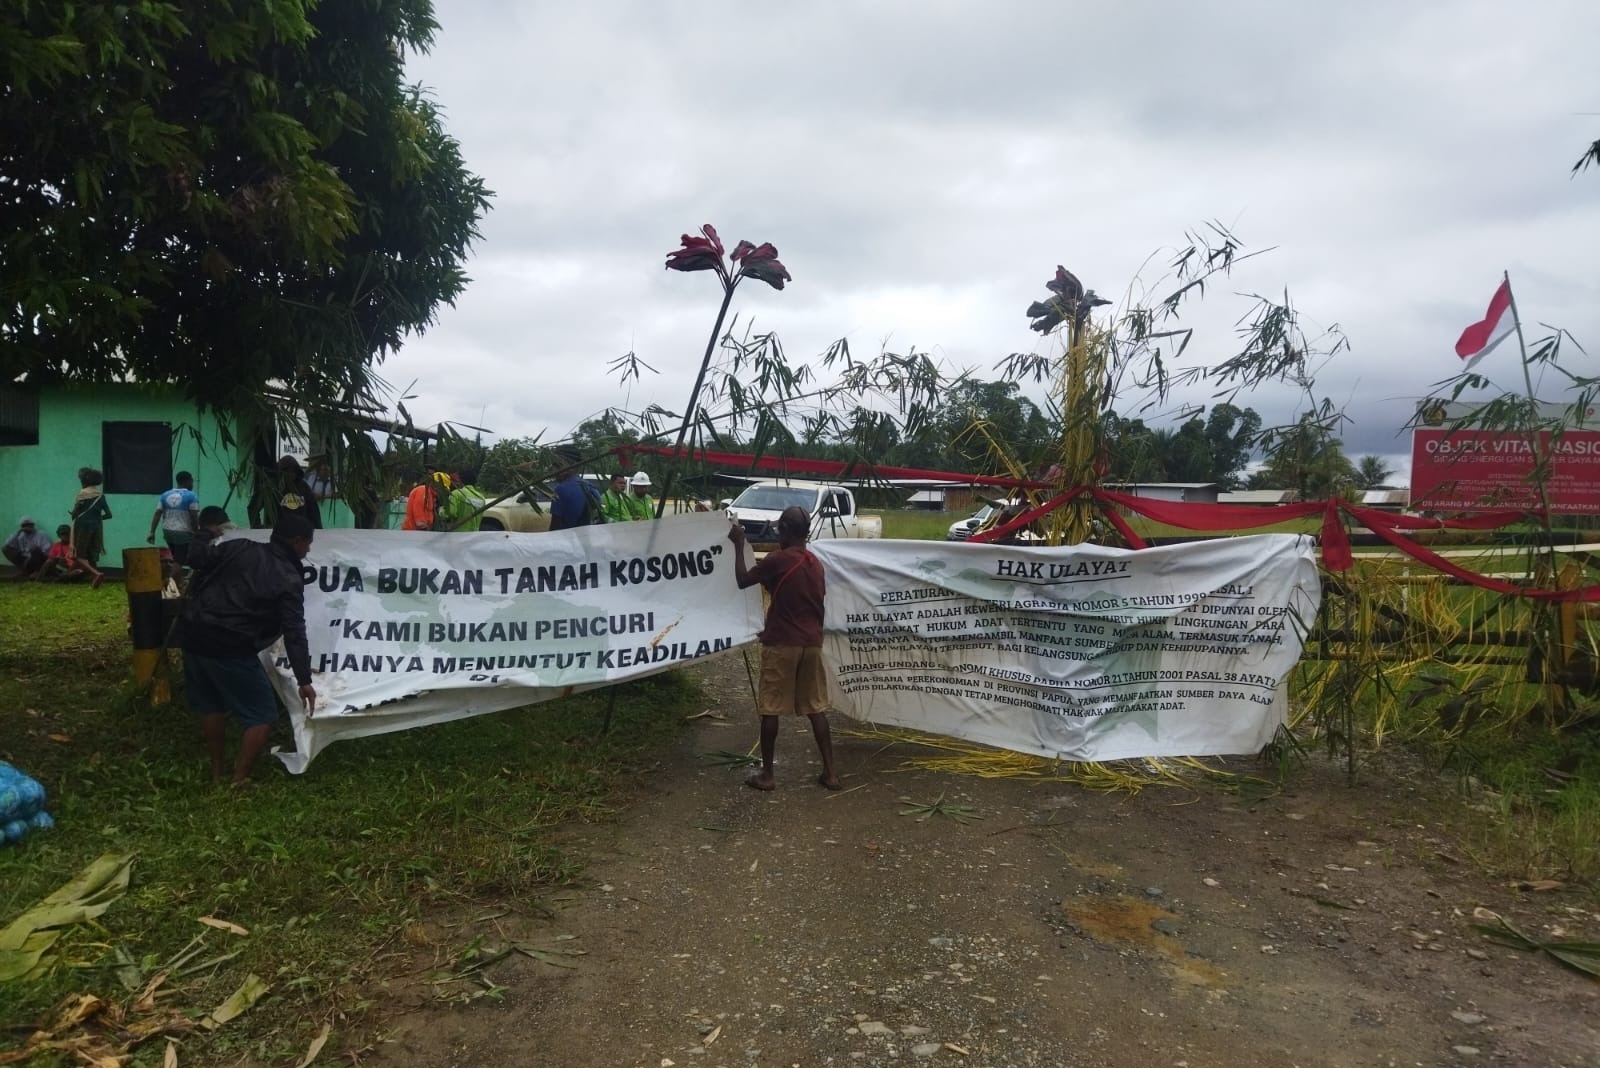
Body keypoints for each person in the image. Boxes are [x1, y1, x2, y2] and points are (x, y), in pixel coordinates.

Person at [180, 511, 317, 787]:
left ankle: (217, 772)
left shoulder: (239, 547)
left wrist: (206, 533)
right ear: (298, 542)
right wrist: (304, 680)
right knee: (262, 716)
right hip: (230, 645)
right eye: (308, 543)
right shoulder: (288, 578)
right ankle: (239, 779)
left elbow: (195, 558)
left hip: (194, 636)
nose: (309, 549)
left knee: (211, 706)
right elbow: (294, 633)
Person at [727, 506, 840, 792]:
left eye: (779, 530)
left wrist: (740, 544)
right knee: (816, 709)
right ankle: (830, 773)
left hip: (783, 644)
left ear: (786, 531)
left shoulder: (778, 559)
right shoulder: (815, 563)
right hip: (811, 644)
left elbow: (743, 580)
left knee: (771, 709)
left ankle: (767, 775)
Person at [147, 471, 200, 574]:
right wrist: (197, 531)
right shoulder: (191, 496)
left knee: (176, 558)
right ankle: (169, 582)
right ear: (188, 481)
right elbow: (194, 516)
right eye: (192, 481)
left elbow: (158, 513)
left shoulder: (165, 494)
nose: (192, 484)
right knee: (180, 560)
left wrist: (152, 532)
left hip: (167, 531)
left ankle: (177, 582)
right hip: (183, 532)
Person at [548, 450, 603, 530]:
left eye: (558, 466)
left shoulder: (561, 489)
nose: (554, 470)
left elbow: (555, 525)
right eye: (553, 466)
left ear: (572, 466)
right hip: (586, 538)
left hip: (566, 538)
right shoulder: (589, 486)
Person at [69, 467, 112, 567]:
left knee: (79, 554)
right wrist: (96, 519)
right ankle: (94, 575)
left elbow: (75, 513)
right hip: (96, 527)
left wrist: (74, 515)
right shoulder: (101, 495)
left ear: (84, 481)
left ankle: (95, 574)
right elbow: (109, 515)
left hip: (82, 527)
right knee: (92, 555)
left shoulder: (82, 494)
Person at [38, 524, 104, 587]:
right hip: (61, 569)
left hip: (74, 569)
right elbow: (51, 559)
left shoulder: (76, 545)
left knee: (77, 568)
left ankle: (61, 578)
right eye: (62, 534)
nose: (65, 536)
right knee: (49, 562)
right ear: (59, 535)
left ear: (71, 535)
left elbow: (83, 560)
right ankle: (38, 581)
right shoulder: (57, 545)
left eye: (67, 534)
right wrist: (57, 559)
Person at [271, 456, 322, 528]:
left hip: (301, 530)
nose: (291, 474)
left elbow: (313, 511)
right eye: (287, 471)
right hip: (280, 531)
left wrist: (318, 529)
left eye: (293, 471)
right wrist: (257, 527)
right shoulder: (275, 488)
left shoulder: (304, 487)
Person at [444, 468, 487, 532]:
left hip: (458, 535)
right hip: (474, 536)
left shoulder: (456, 494)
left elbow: (451, 513)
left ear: (461, 480)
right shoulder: (481, 498)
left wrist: (441, 510)